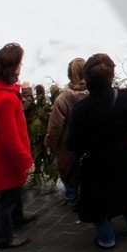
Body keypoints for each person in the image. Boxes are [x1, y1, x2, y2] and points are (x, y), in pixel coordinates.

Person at [68, 53, 127, 249]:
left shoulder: (80, 109)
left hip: (95, 164)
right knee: (126, 191)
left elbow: (74, 144)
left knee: (98, 201)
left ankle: (106, 238)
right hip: (121, 157)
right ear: (111, 76)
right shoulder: (124, 97)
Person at [0, 42, 34, 250]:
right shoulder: (5, 100)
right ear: (12, 68)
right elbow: (10, 138)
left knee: (14, 191)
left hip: (1, 155)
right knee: (6, 198)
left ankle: (18, 218)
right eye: (19, 63)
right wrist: (26, 160)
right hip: (7, 159)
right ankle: (3, 237)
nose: (21, 66)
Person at [44, 57, 88, 207]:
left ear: (69, 76)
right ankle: (85, 199)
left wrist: (49, 143)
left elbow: (55, 126)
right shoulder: (95, 94)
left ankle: (72, 200)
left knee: (69, 175)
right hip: (89, 143)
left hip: (67, 146)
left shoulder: (63, 99)